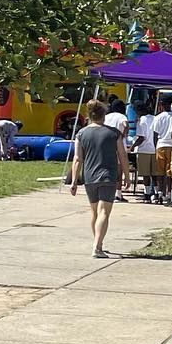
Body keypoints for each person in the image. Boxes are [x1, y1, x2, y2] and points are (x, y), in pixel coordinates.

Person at [68, 101, 123, 258]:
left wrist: (73, 181)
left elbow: (77, 159)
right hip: (108, 176)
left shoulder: (81, 134)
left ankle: (98, 242)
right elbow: (122, 156)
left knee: (95, 213)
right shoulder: (114, 133)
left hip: (89, 177)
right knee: (104, 212)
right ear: (103, 115)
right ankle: (97, 247)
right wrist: (125, 174)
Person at [152, 99, 172, 205]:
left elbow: (155, 134)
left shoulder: (158, 117)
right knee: (170, 172)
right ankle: (168, 194)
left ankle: (160, 193)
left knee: (159, 172)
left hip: (161, 145)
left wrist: (155, 147)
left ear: (161, 105)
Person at [104, 98, 131, 199]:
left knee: (107, 169)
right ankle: (118, 194)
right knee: (119, 170)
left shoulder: (106, 117)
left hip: (106, 145)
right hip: (119, 145)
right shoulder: (122, 116)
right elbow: (126, 125)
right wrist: (124, 134)